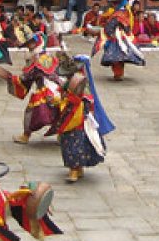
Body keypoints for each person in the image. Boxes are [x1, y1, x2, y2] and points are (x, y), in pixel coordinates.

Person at [48, 52, 114, 182]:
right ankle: (76, 168)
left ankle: (75, 169)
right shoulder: (68, 83)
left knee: (76, 143)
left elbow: (87, 100)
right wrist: (56, 100)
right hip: (68, 114)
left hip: (79, 117)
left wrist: (74, 101)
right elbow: (63, 96)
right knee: (68, 143)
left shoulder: (82, 82)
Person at [0, 28, 61, 144]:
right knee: (59, 111)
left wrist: (8, 76)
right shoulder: (48, 55)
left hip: (47, 91)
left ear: (36, 43)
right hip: (60, 88)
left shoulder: (36, 60)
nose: (29, 47)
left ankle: (26, 135)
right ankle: (62, 134)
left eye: (30, 44)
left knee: (30, 110)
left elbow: (25, 79)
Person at [93, 0, 145, 80]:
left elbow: (111, 27)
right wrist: (113, 34)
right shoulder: (120, 15)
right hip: (117, 38)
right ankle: (118, 74)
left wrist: (112, 33)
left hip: (119, 38)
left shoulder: (118, 15)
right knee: (118, 58)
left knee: (119, 58)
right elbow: (122, 27)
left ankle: (118, 74)